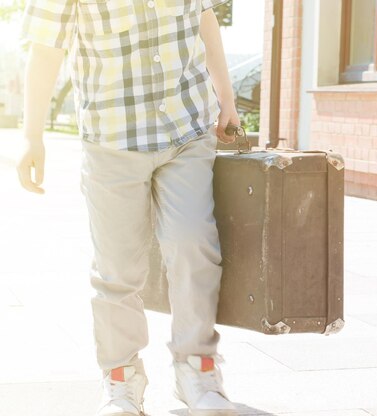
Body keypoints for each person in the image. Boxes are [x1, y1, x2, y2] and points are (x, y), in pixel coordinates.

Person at [17, 1, 240, 415]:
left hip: (186, 131)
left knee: (192, 243)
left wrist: (225, 97)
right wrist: (32, 136)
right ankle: (122, 379)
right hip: (111, 139)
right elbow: (45, 48)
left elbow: (205, 18)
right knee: (117, 269)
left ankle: (197, 368)